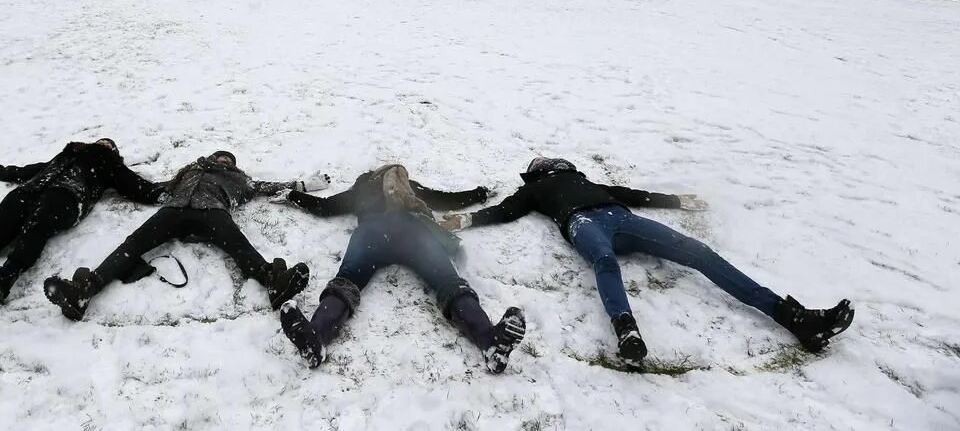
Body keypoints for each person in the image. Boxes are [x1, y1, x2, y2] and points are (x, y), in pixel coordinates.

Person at [441, 157, 853, 364]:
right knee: (603, 260)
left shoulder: (585, 181)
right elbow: (508, 209)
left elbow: (632, 193)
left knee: (699, 253)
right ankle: (627, 331)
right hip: (583, 222)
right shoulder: (537, 191)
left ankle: (792, 317)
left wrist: (678, 201)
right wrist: (468, 219)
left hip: (622, 218)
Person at [278, 164, 527, 374]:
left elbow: (324, 207)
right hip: (414, 233)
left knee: (347, 280)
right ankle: (490, 342)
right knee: (448, 281)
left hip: (373, 234)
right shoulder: (409, 188)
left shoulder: (360, 190)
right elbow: (444, 198)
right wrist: (479, 193)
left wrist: (292, 195)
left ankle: (316, 337)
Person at [43, 151, 326, 321]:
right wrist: (110, 181)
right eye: (220, 155)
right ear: (213, 157)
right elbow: (155, 187)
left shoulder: (239, 179)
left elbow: (265, 185)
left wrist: (302, 185)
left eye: (229, 158)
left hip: (213, 213)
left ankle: (273, 283)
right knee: (133, 244)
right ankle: (85, 290)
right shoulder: (190, 170)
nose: (224, 158)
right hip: (174, 210)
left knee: (238, 243)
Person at [0, 138, 163, 310]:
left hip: (68, 196)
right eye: (102, 141)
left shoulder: (109, 163)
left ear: (112, 150)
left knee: (36, 228)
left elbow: (134, 185)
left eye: (107, 144)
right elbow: (32, 169)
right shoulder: (69, 153)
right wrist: (0, 171)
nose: (103, 144)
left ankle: (4, 278)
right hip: (31, 188)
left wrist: (164, 193)